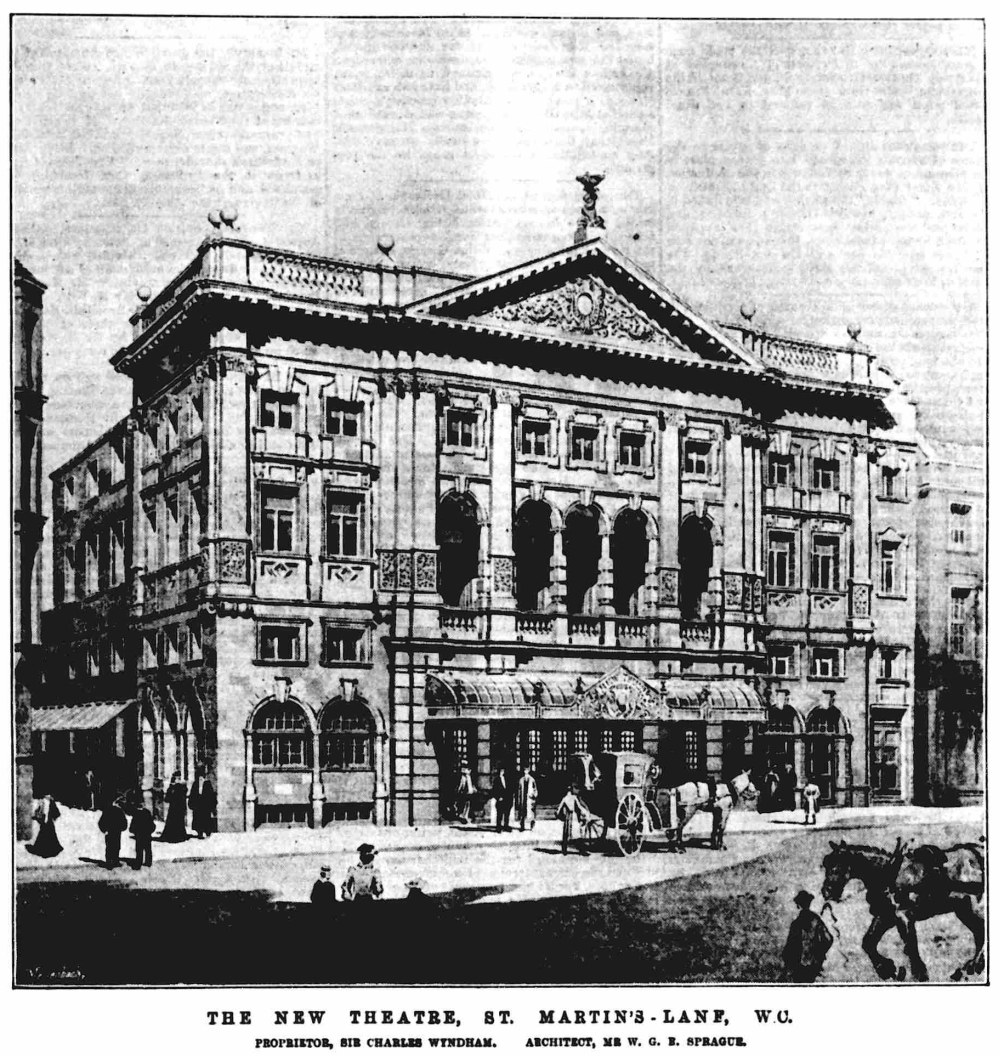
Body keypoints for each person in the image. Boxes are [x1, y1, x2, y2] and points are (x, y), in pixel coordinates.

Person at [782, 890, 833, 982]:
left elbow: (790, 946)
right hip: (814, 963)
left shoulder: (796, 923)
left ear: (798, 905)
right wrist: (819, 953)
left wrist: (787, 962)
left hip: (798, 964)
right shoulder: (816, 920)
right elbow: (828, 939)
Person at [27, 792, 63, 858]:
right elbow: (39, 810)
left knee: (48, 835)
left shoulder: (50, 802)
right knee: (44, 835)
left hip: (48, 821)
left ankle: (48, 850)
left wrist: (53, 818)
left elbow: (56, 812)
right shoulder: (42, 802)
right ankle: (45, 850)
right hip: (45, 821)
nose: (47, 796)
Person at [556, 783, 588, 856]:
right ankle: (582, 851)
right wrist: (584, 812)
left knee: (566, 833)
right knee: (577, 833)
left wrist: (558, 814)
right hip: (573, 816)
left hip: (568, 817)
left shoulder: (565, 798)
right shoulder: (574, 798)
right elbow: (579, 806)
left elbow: (559, 808)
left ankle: (564, 850)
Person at [98, 797, 129, 868]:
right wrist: (122, 828)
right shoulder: (120, 811)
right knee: (116, 847)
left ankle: (109, 862)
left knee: (109, 847)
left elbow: (101, 822)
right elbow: (124, 822)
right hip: (117, 832)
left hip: (109, 832)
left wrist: (104, 830)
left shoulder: (107, 811)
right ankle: (115, 861)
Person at [161, 770, 189, 842]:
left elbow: (184, 795)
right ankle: (172, 836)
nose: (178, 779)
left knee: (179, 822)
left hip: (179, 808)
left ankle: (179, 836)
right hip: (173, 808)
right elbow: (167, 799)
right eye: (177, 778)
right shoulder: (172, 787)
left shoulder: (182, 787)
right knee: (172, 822)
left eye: (179, 778)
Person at [189, 767, 217, 839]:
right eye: (199, 778)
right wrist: (191, 804)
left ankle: (208, 832)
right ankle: (200, 833)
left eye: (202, 778)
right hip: (198, 806)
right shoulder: (195, 784)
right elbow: (192, 795)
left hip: (205, 806)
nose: (200, 780)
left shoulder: (207, 784)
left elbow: (211, 795)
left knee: (206, 820)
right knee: (198, 820)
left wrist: (212, 806)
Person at [130, 801, 156, 869]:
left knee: (139, 849)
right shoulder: (147, 812)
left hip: (139, 834)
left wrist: (133, 830)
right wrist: (150, 831)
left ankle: (139, 862)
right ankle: (148, 862)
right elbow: (152, 824)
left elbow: (133, 824)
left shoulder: (136, 813)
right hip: (147, 834)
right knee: (148, 849)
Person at [515, 765, 538, 832]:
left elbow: (535, 789)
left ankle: (532, 826)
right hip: (523, 798)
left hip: (530, 799)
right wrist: (518, 800)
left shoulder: (532, 779)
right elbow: (519, 791)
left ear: (528, 771)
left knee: (531, 814)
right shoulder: (521, 780)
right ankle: (522, 826)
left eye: (527, 770)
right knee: (522, 814)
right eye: (525, 770)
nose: (526, 772)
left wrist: (534, 795)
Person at [493, 766, 512, 832]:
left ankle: (506, 826)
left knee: (507, 814)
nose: (502, 772)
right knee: (499, 814)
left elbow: (509, 789)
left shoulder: (507, 779)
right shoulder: (496, 780)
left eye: (503, 771)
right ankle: (498, 827)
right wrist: (498, 798)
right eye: (501, 771)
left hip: (507, 800)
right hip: (500, 800)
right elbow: (494, 791)